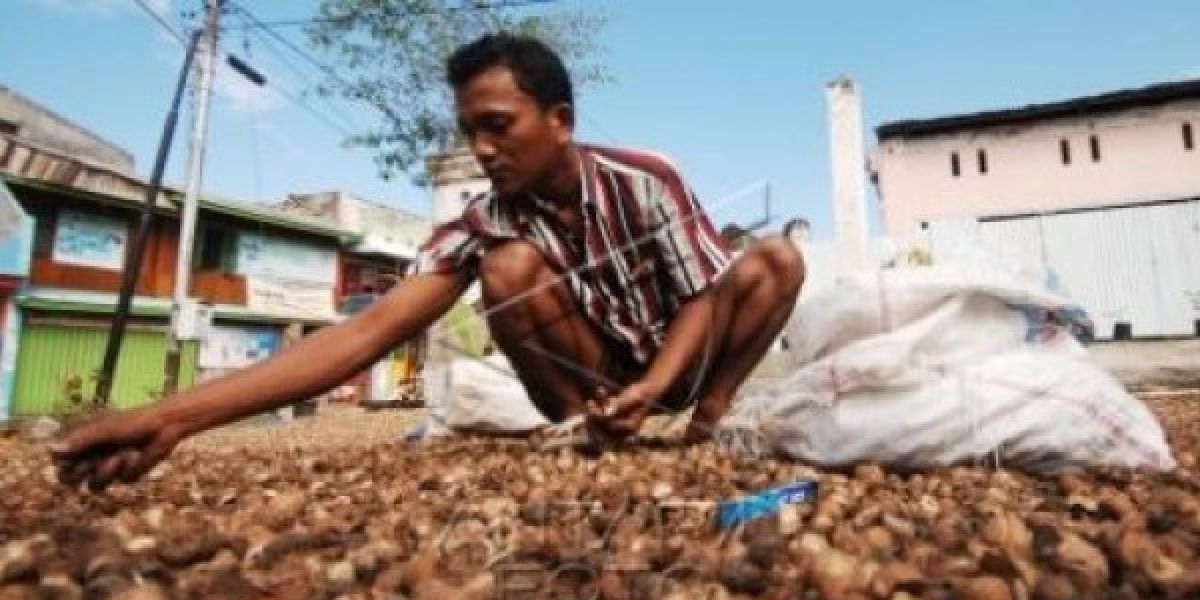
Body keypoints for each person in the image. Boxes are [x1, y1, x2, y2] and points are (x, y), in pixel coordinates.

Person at [54, 32, 804, 490]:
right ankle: (591, 432)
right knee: (507, 270)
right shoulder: (483, 224)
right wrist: (174, 418)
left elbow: (704, 296)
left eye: (499, 125)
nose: (482, 147)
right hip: (600, 385)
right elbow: (366, 332)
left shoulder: (645, 178)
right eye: (471, 130)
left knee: (775, 259)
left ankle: (708, 422)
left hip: (682, 364)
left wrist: (661, 390)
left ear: (560, 121)